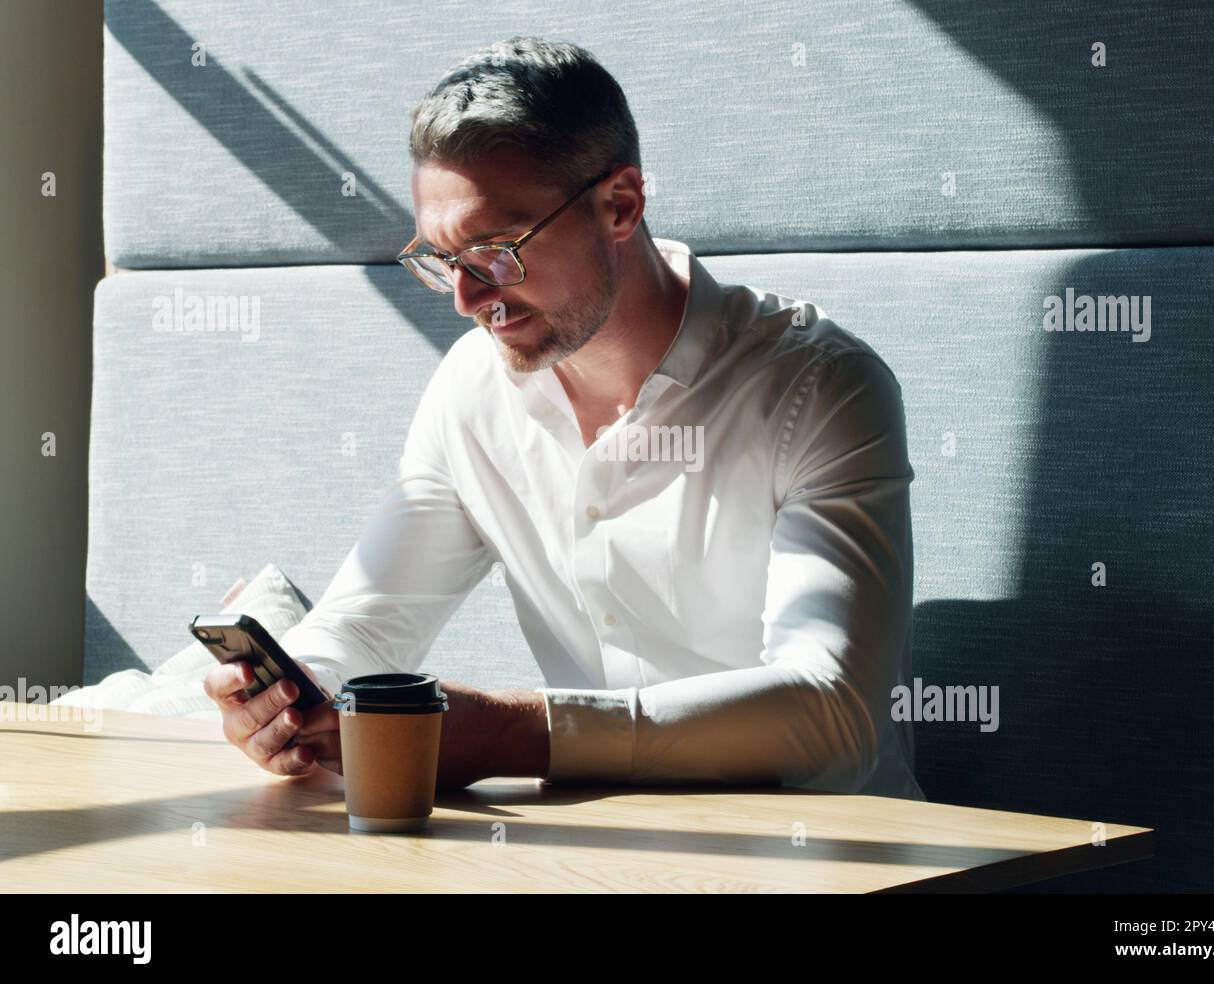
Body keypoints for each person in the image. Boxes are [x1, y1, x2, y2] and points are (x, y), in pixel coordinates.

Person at [205, 36, 924, 800]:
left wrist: (524, 732)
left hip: (823, 855)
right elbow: (368, 626)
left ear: (620, 205)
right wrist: (293, 695)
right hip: (582, 854)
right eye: (443, 260)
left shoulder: (822, 388)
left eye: (497, 251)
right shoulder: (470, 392)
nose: (468, 299)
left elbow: (835, 717)